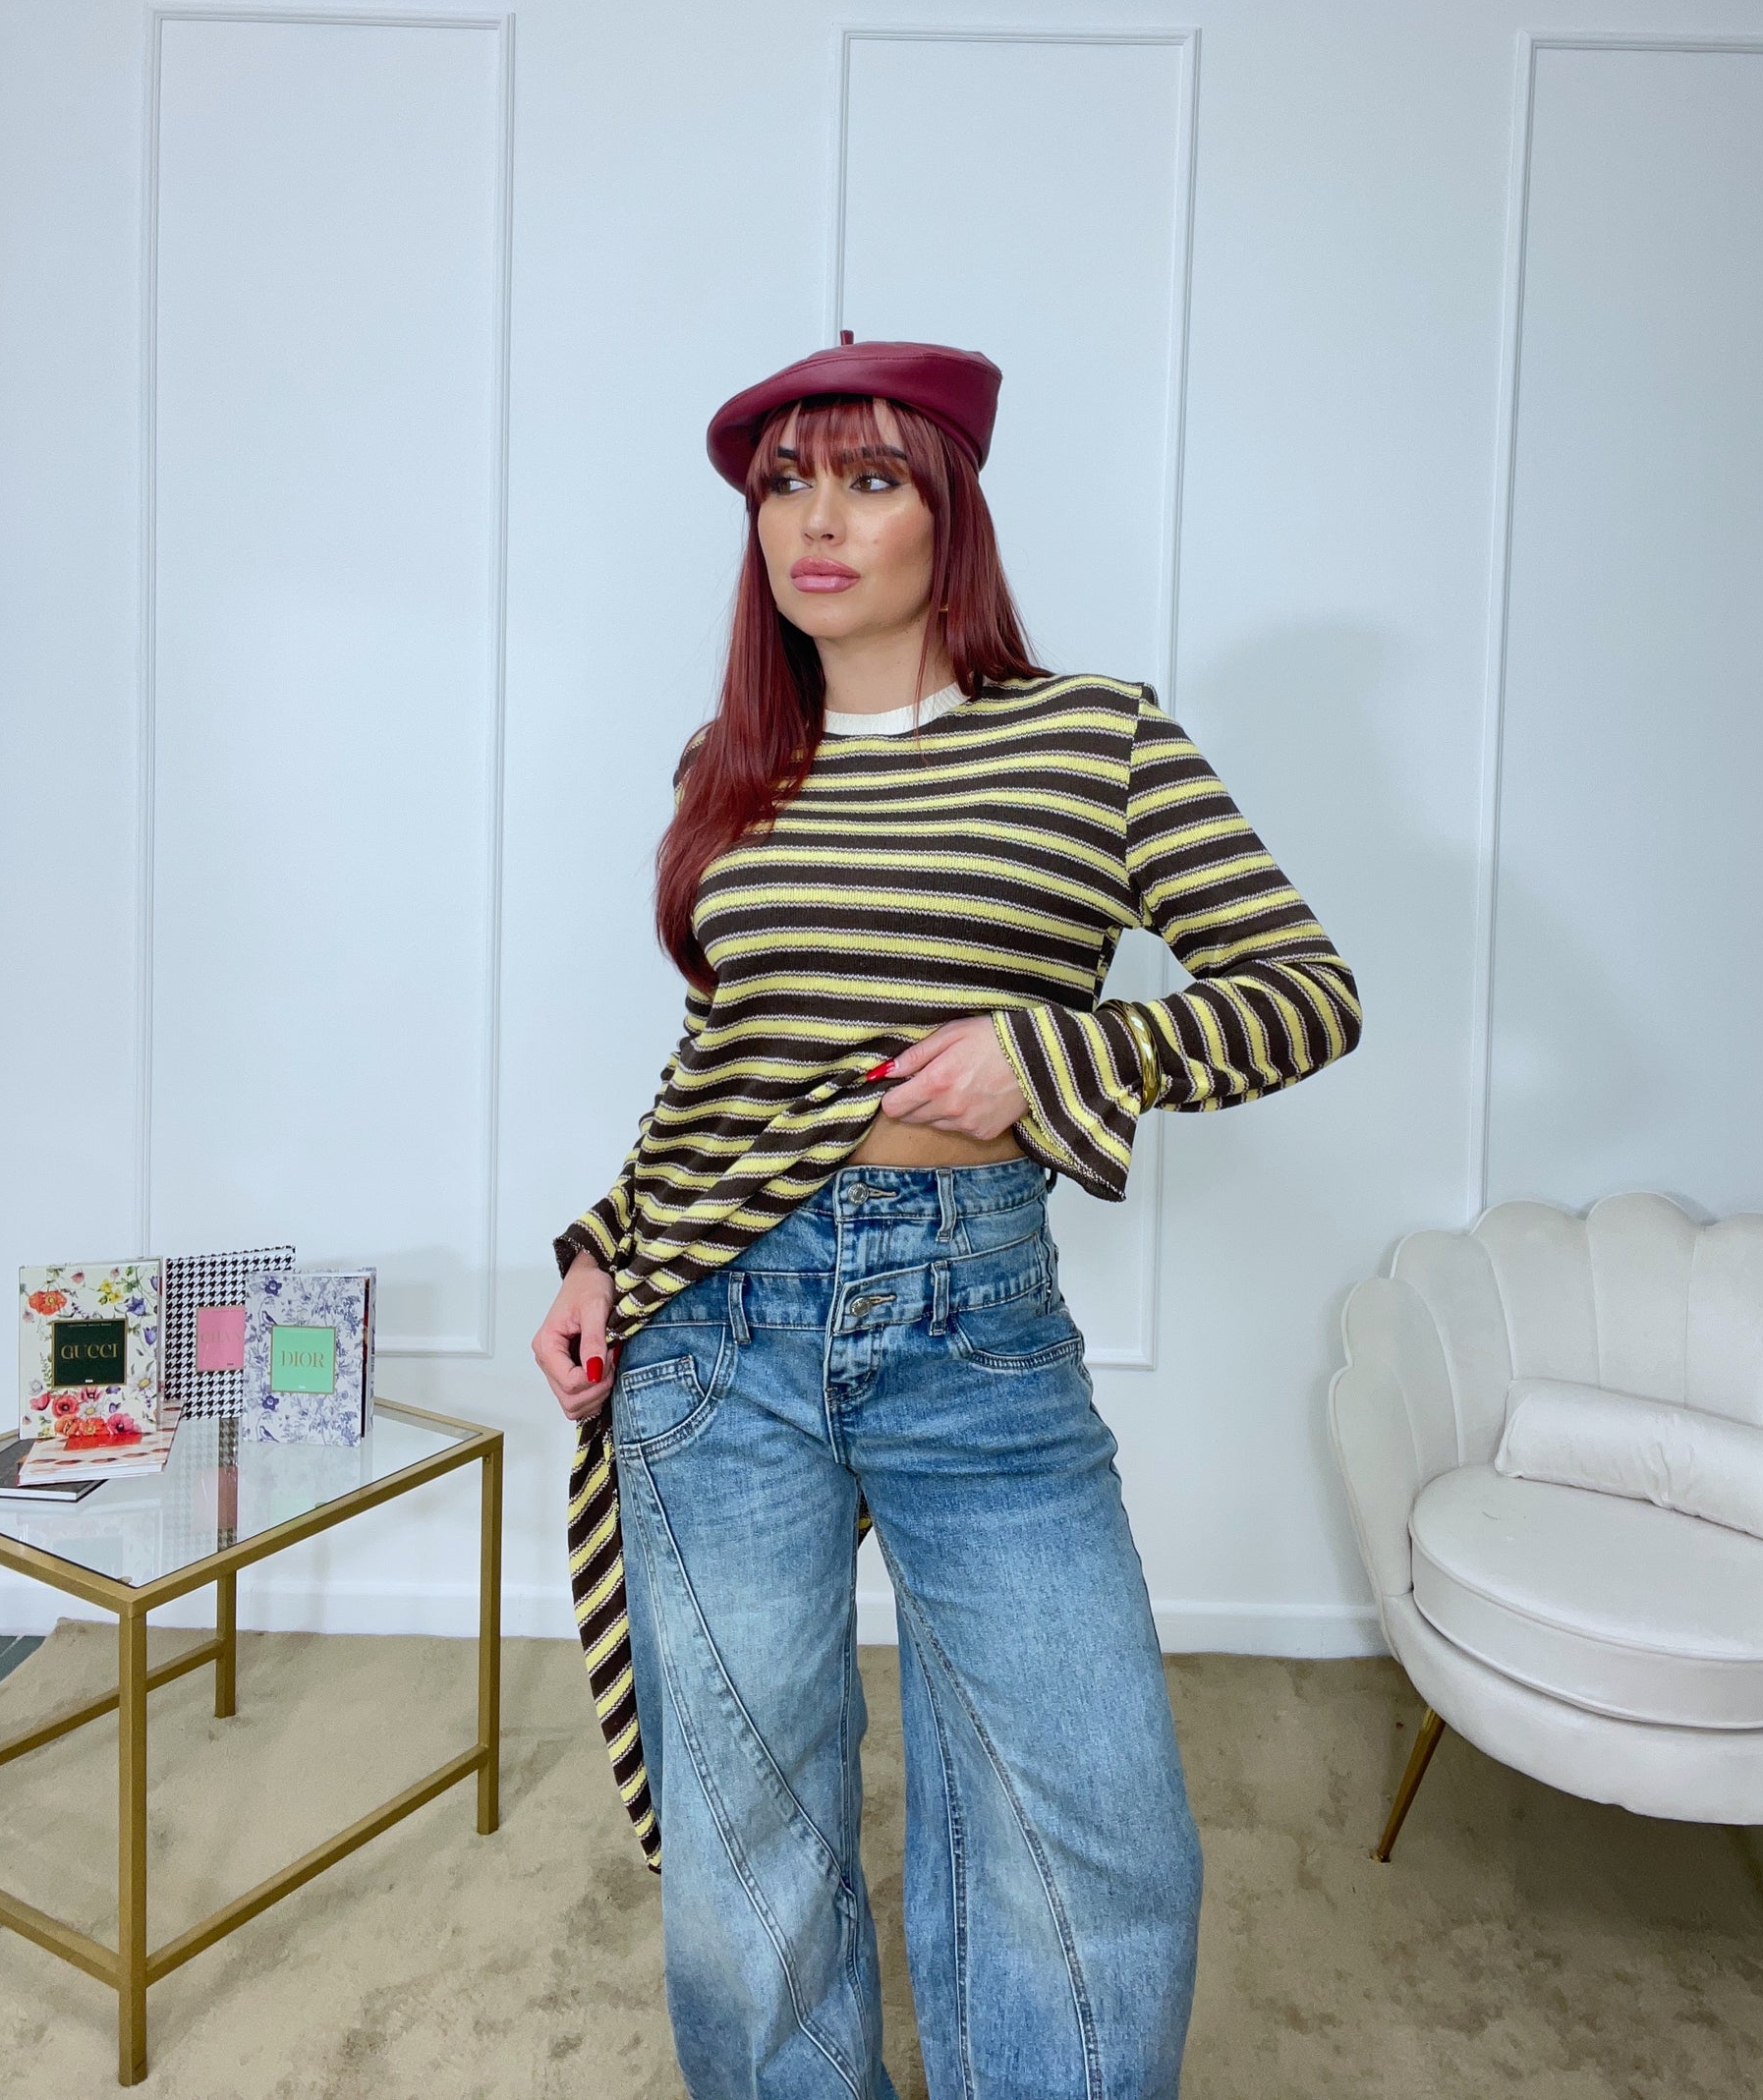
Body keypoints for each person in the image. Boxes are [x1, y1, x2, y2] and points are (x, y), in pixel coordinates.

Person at [532, 335, 1362, 2100]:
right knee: (747, 1841)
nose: (814, 521)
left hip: (969, 1325)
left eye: (867, 479)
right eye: (783, 486)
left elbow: (1303, 996)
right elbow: (725, 1057)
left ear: (948, 513)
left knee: (1094, 1835)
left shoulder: (1096, 738)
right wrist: (604, 1244)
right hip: (712, 1323)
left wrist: (1048, 1053)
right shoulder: (727, 761)